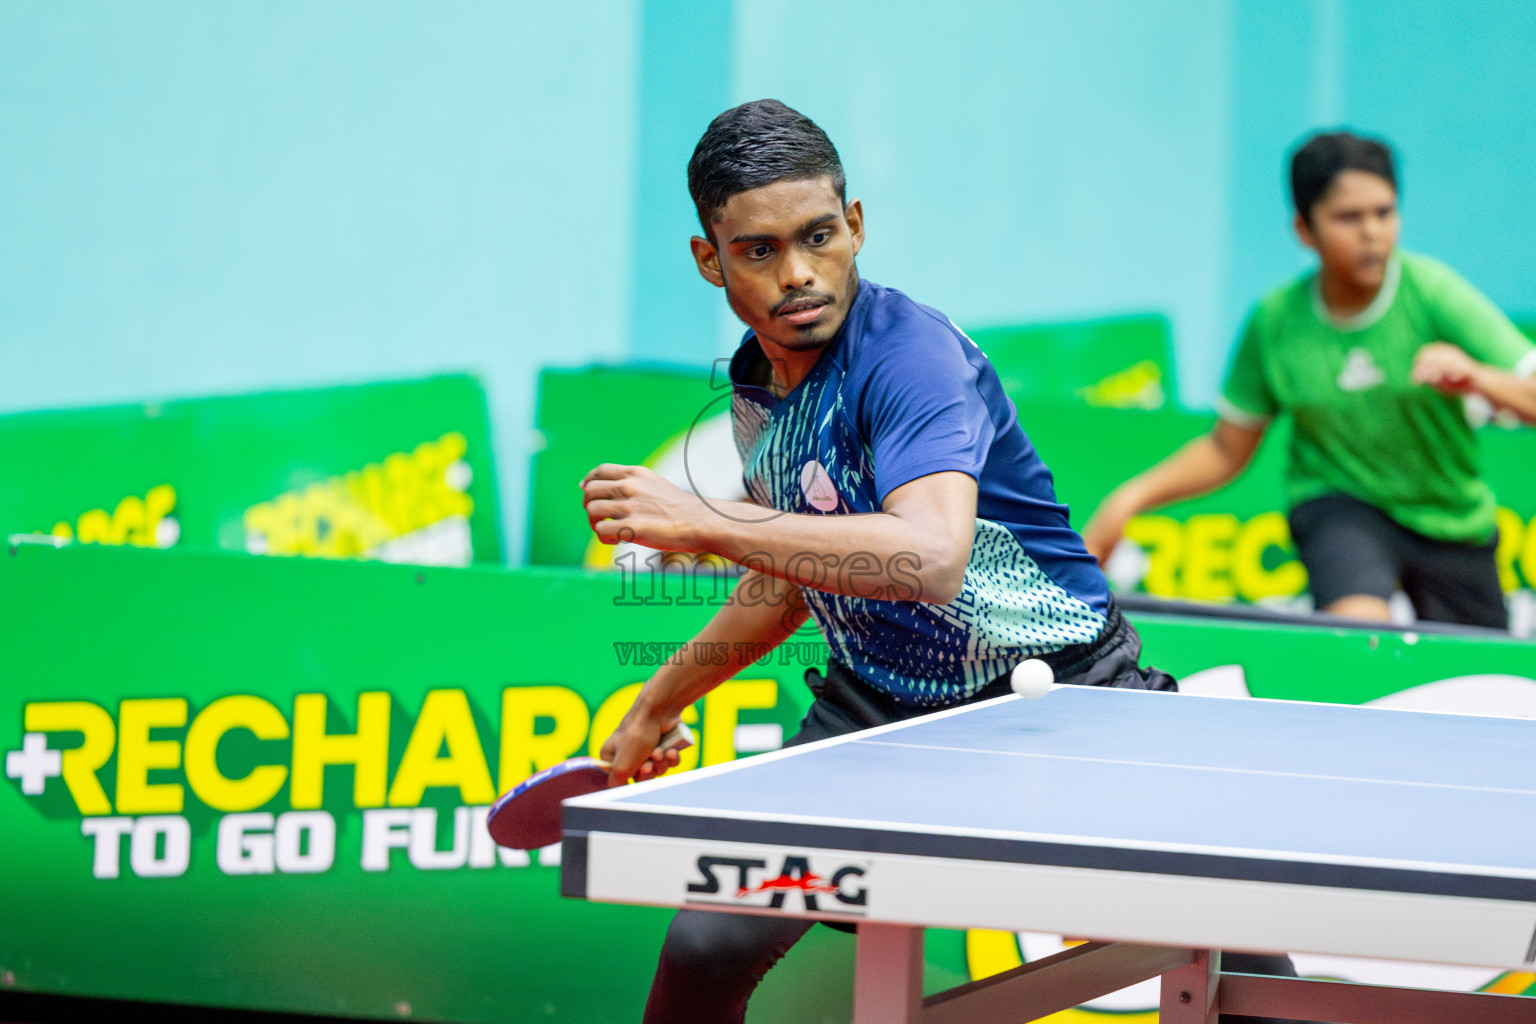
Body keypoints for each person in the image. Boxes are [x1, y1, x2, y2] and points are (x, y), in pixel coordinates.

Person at [580, 99, 1296, 1024]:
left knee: (1239, 958)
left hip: (1057, 698)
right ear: (709, 259)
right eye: (759, 251)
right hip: (875, 709)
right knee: (709, 944)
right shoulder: (759, 384)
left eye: (819, 236)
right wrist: (656, 704)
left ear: (857, 225)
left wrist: (704, 521)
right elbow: (797, 575)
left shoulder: (909, 356)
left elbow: (927, 555)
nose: (798, 274)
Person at [1083, 131, 1536, 629]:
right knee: (1359, 635)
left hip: (1451, 518)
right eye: (1348, 217)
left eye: (1384, 213)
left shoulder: (1434, 295)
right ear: (1304, 229)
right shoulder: (1275, 321)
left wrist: (1479, 378)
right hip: (1339, 504)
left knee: (1474, 683)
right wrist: (1130, 498)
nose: (1372, 233)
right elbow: (1227, 448)